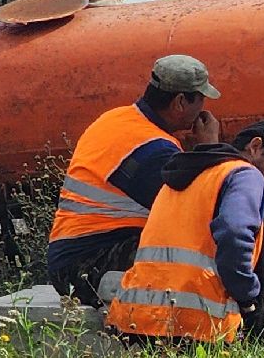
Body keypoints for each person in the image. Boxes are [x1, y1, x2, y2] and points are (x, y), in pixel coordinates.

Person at [47, 55, 223, 305]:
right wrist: (210, 149)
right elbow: (197, 211)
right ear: (180, 102)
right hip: (90, 262)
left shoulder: (116, 118)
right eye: (201, 100)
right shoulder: (153, 149)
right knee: (200, 257)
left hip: (72, 256)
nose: (204, 109)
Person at [105, 120, 264, 343]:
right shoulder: (246, 175)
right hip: (196, 323)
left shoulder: (185, 177)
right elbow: (234, 234)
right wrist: (248, 295)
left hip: (137, 318)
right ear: (255, 147)